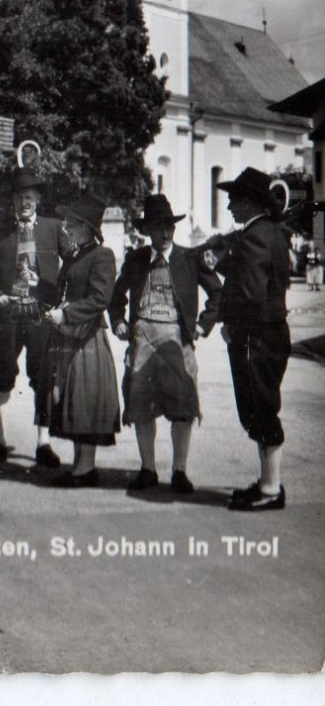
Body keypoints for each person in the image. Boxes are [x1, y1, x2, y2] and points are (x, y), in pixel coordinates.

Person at [109, 193, 222, 494]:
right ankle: (148, 469)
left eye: (168, 227)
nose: (163, 233)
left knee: (183, 406)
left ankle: (179, 471)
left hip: (177, 340)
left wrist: (202, 325)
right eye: (157, 227)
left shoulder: (189, 258)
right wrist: (118, 320)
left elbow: (218, 293)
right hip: (142, 339)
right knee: (142, 406)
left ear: (173, 229)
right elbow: (116, 296)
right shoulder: (135, 260)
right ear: (146, 230)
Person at [0, 168, 71, 471]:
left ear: (38, 198)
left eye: (29, 197)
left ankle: (43, 443)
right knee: (4, 377)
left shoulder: (53, 227)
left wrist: (63, 301)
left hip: (40, 317)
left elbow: (73, 264)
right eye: (19, 197)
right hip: (8, 315)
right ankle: (1, 442)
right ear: (12, 200)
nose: (24, 203)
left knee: (42, 379)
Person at [214, 167, 291, 512]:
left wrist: (232, 325)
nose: (229, 206)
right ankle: (266, 482)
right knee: (260, 406)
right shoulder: (269, 232)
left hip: (257, 336)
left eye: (234, 199)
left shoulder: (255, 236)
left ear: (249, 202)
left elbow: (250, 292)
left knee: (260, 408)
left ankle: (272, 489)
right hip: (266, 334)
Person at [38, 195, 120, 486]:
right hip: (70, 334)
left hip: (87, 337)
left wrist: (67, 315)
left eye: (72, 223)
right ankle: (81, 467)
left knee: (85, 401)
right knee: (75, 401)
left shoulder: (102, 255)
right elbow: (65, 292)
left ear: (86, 227)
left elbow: (100, 299)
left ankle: (85, 469)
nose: (66, 227)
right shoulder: (75, 255)